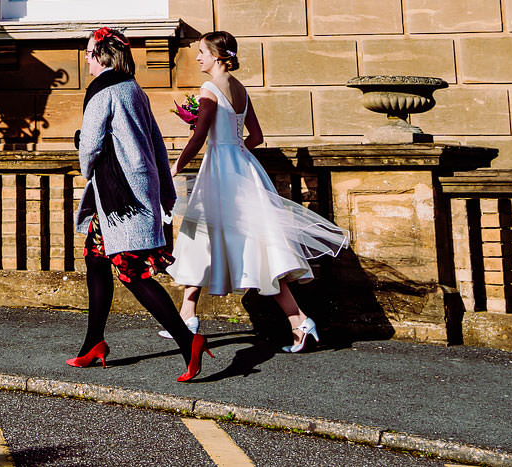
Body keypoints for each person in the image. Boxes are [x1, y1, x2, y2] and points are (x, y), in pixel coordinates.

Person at [168, 31, 347, 355]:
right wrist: (236, 149)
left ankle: (193, 317)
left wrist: (177, 166)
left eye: (202, 52)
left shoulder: (209, 89)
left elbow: (199, 136)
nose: (198, 58)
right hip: (243, 166)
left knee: (203, 235)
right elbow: (257, 136)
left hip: (221, 170)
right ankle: (191, 313)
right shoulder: (241, 89)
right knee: (255, 246)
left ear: (218, 56)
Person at [68, 26, 204, 381]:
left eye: (88, 51)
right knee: (95, 260)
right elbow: (156, 141)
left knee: (131, 270)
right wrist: (164, 189)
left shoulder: (101, 92)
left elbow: (91, 147)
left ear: (101, 54)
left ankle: (188, 341)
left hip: (120, 197)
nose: (85, 57)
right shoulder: (133, 89)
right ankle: (93, 342)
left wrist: (82, 151)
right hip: (129, 193)